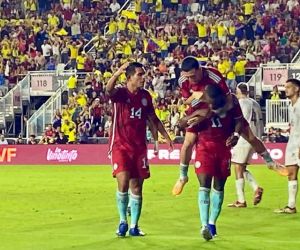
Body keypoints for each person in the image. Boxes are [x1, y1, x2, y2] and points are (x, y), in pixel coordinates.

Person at [172, 56, 285, 196]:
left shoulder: (214, 76)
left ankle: (270, 163)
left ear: (200, 69)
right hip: (199, 107)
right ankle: (183, 176)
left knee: (250, 136)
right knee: (188, 142)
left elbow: (228, 100)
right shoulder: (183, 80)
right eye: (187, 76)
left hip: (222, 106)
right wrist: (198, 101)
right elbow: (187, 102)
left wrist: (207, 105)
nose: (191, 79)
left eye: (193, 76)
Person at [106, 62, 173, 237]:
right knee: (123, 182)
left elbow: (152, 117)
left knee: (137, 187)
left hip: (139, 147)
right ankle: (122, 221)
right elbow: (108, 90)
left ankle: (134, 226)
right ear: (129, 77)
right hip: (120, 144)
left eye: (143, 74)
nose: (143, 77)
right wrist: (117, 72)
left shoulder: (145, 96)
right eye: (139, 74)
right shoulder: (120, 94)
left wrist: (165, 135)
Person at [180, 84, 241, 240]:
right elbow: (184, 125)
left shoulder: (230, 104)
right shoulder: (198, 107)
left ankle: (212, 223)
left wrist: (235, 135)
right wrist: (188, 121)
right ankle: (204, 225)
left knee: (219, 187)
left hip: (223, 150)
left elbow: (239, 122)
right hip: (204, 149)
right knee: (204, 185)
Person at [228, 83, 264, 208]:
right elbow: (260, 122)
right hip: (255, 138)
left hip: (244, 138)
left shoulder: (241, 103)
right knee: (241, 167)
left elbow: (240, 121)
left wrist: (234, 135)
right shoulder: (256, 104)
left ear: (238, 91)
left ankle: (241, 200)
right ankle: (255, 187)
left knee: (237, 167)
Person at [274, 79, 300, 214]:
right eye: (285, 87)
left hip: (299, 144)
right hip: (292, 144)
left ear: (296, 89)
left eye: (289, 87)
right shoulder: (291, 106)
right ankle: (291, 206)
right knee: (291, 173)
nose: (286, 89)